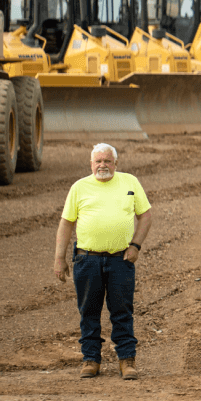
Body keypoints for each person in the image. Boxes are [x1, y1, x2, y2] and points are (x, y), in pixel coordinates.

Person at [53, 143, 153, 380]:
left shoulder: (130, 182)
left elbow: (146, 215)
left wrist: (136, 245)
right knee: (89, 311)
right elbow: (66, 224)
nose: (102, 165)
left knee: (122, 311)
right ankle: (90, 360)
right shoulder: (79, 187)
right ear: (91, 164)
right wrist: (59, 258)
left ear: (115, 164)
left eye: (107, 161)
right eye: (98, 161)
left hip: (121, 260)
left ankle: (126, 361)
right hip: (87, 260)